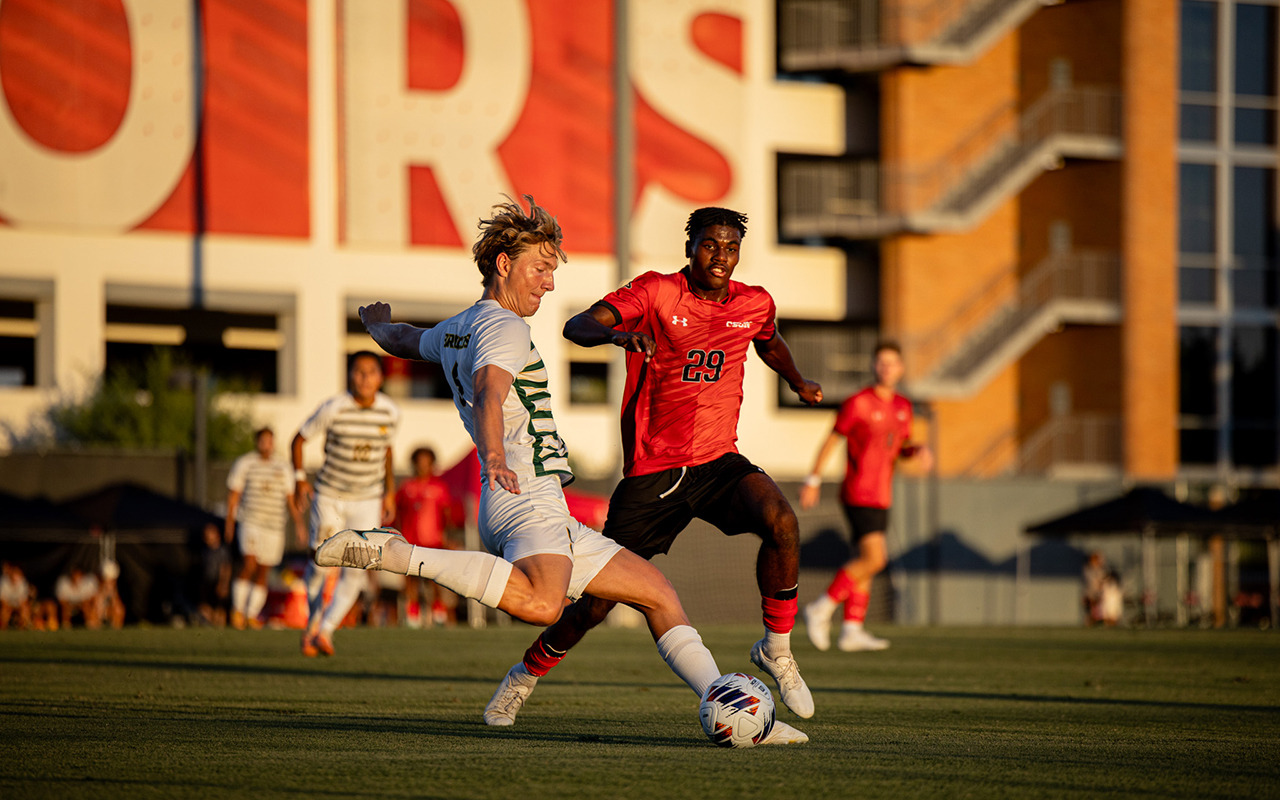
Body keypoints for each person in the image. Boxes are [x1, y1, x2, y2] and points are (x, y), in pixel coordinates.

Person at [321, 195, 805, 744]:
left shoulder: (459, 326)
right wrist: (495, 454)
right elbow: (488, 390)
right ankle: (395, 553)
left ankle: (739, 712)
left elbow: (409, 341)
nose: (549, 284)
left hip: (536, 499)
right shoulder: (505, 327)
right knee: (542, 604)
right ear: (504, 264)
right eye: (541, 269)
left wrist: (379, 327)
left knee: (657, 594)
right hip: (522, 491)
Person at [482, 206, 822, 727]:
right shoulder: (657, 292)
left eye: (731, 247)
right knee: (595, 606)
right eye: (710, 245)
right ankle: (524, 675)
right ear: (690, 247)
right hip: (654, 473)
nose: (721, 256)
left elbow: (769, 340)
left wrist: (797, 381)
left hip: (718, 461)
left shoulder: (753, 302)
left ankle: (776, 649)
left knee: (782, 520)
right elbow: (577, 326)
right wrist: (618, 336)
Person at [800, 341, 932, 652]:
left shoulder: (903, 407)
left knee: (865, 561)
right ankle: (821, 607)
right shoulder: (858, 402)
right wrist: (813, 479)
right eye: (881, 362)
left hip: (882, 494)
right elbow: (832, 439)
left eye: (892, 363)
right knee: (876, 559)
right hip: (859, 491)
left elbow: (901, 445)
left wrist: (916, 450)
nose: (886, 368)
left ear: (900, 368)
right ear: (873, 366)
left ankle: (851, 629)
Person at [293, 351, 400, 656]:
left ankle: (326, 630)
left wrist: (389, 492)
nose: (365, 378)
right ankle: (312, 623)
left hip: (367, 499)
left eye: (371, 372)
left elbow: (387, 451)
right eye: (359, 371)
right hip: (331, 496)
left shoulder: (390, 411)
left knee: (357, 567)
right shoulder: (334, 408)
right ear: (350, 375)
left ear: (381, 378)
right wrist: (299, 478)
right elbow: (298, 440)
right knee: (321, 563)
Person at [225, 427, 302, 629]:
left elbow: (290, 498)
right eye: (263, 441)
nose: (267, 445)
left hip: (274, 526)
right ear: (257, 442)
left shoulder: (283, 467)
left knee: (263, 570)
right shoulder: (245, 463)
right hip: (251, 522)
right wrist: (229, 523)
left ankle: (251, 614)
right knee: (249, 564)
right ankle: (237, 610)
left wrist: (299, 524)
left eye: (270, 441)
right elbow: (234, 495)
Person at [394, 446, 459, 626]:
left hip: (433, 541)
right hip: (410, 541)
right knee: (411, 580)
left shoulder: (439, 488)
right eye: (419, 462)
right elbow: (397, 513)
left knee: (435, 578)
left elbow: (447, 515)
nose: (422, 466)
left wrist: (449, 537)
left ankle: (438, 611)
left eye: (426, 463)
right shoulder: (406, 487)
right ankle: (413, 613)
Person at [197, 521, 233, 627]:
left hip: (218, 582)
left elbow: (226, 568)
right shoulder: (205, 551)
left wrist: (223, 584)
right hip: (207, 582)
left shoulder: (222, 551)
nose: (208, 537)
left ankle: (220, 627)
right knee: (205, 607)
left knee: (220, 609)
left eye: (210, 534)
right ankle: (212, 623)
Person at [55, 564, 102, 629]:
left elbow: (92, 598)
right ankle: (66, 624)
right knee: (65, 608)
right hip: (69, 604)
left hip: (83, 603)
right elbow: (62, 601)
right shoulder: (63, 582)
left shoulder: (89, 582)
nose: (76, 578)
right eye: (74, 575)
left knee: (87, 606)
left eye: (78, 575)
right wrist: (71, 606)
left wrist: (82, 604)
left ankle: (91, 623)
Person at [0, 561, 32, 630]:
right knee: (4, 612)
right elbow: (3, 601)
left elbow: (23, 600)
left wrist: (20, 608)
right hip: (7, 605)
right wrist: (9, 608)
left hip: (18, 605)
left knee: (25, 610)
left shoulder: (22, 582)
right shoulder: (4, 582)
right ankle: (3, 628)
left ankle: (23, 628)